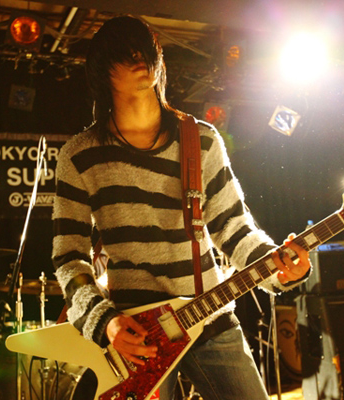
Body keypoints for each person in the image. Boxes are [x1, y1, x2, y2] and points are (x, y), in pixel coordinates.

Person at [52, 15, 312, 400]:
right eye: (125, 54)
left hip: (209, 315)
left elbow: (234, 229)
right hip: (138, 330)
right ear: (101, 72)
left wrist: (281, 269)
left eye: (146, 51)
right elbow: (69, 258)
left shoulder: (201, 140)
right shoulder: (80, 156)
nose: (140, 60)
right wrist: (106, 323)